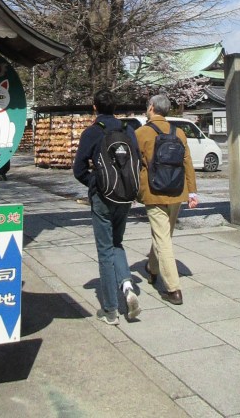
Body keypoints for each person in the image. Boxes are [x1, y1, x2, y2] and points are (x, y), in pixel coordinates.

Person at [73, 88, 142, 325]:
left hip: (103, 197)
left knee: (104, 250)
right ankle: (127, 286)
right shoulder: (128, 130)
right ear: (115, 108)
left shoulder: (92, 132)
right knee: (116, 242)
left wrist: (95, 182)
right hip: (125, 196)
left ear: (95, 107)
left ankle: (111, 310)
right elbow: (137, 160)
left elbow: (79, 169)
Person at [135, 94, 198, 305]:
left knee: (163, 239)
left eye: (148, 106)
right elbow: (187, 163)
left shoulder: (141, 133)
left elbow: (133, 165)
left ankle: (173, 289)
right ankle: (152, 269)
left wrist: (132, 192)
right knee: (163, 235)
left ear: (152, 107)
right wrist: (192, 192)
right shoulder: (178, 132)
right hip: (177, 191)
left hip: (153, 192)